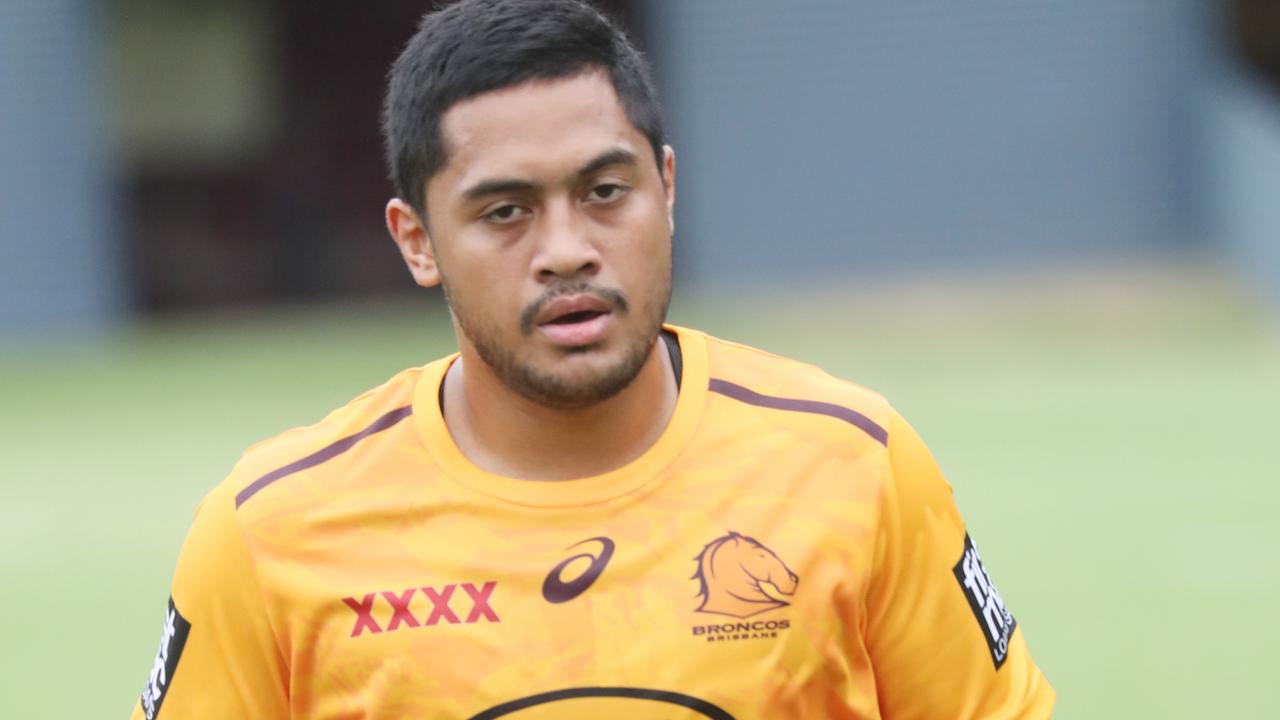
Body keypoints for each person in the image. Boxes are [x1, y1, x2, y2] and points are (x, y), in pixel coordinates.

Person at [131, 0, 1055, 717]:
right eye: (505, 212)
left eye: (605, 191)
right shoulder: (271, 532)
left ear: (667, 189)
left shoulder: (855, 465)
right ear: (416, 242)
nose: (566, 248)